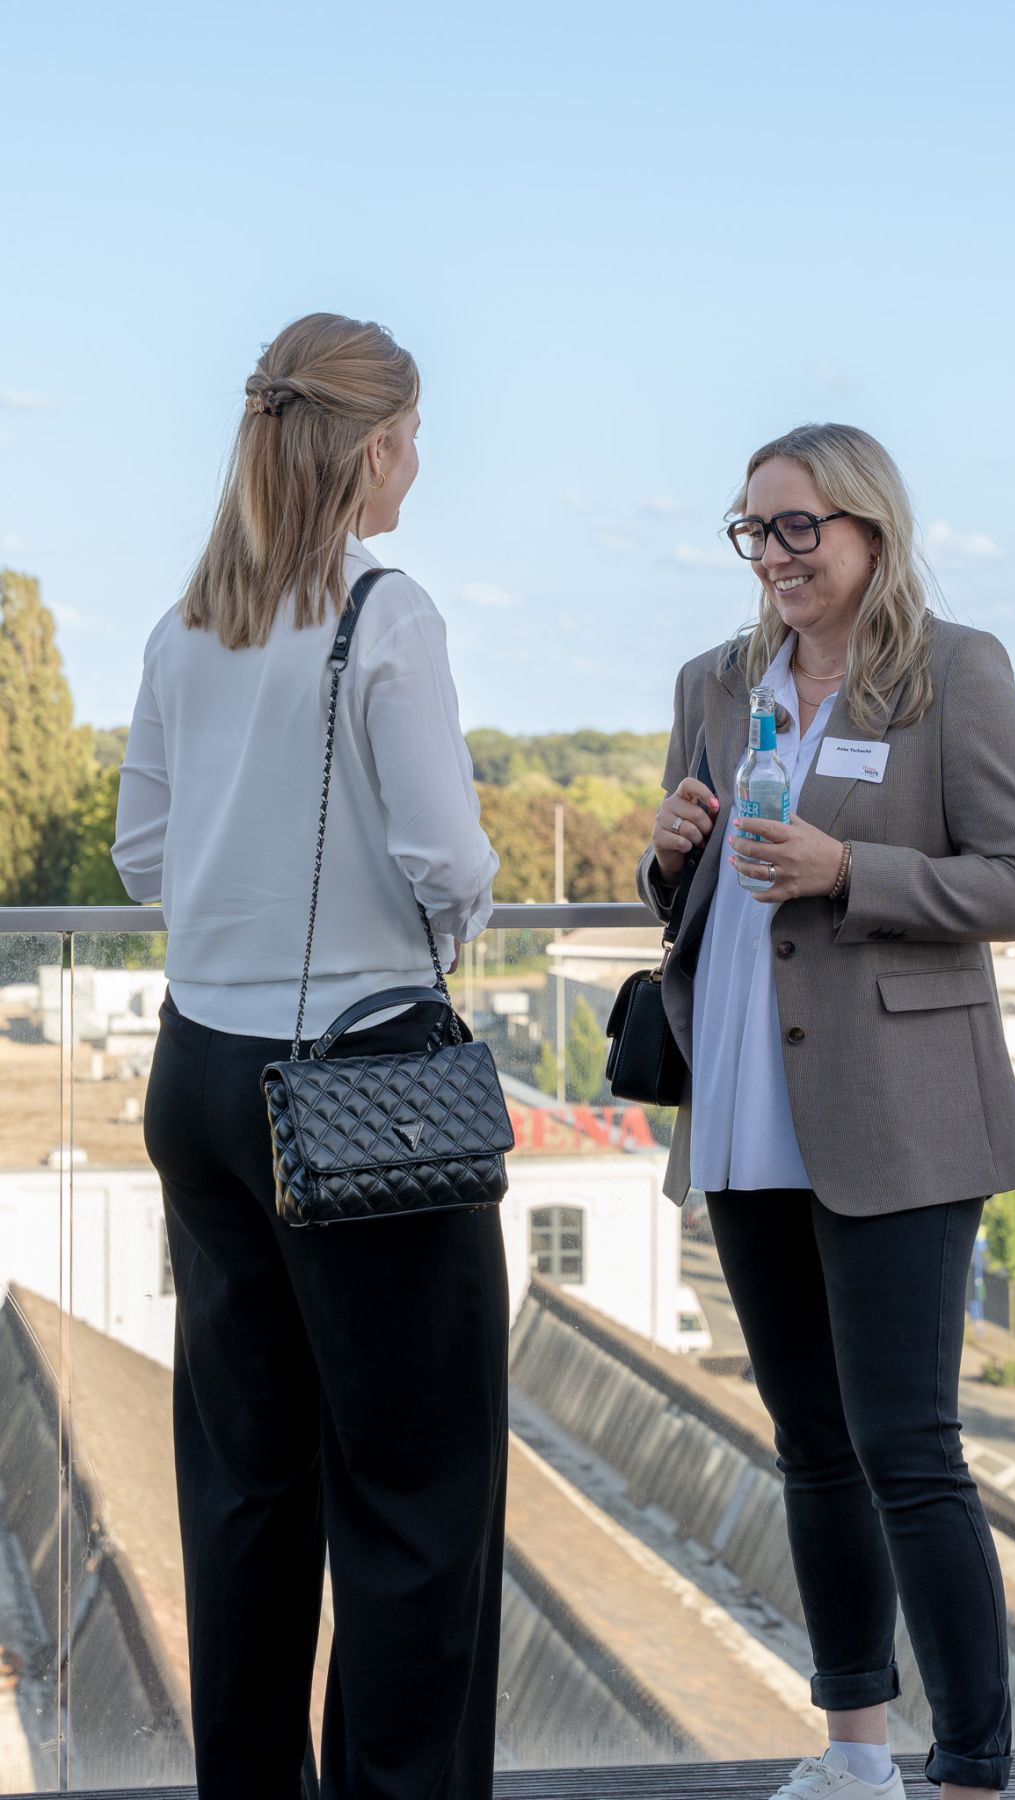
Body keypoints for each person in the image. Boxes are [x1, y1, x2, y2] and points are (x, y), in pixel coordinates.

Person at [637, 423, 1015, 1799]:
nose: (773, 555)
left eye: (798, 526)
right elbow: (695, 903)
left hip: (899, 1114)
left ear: (872, 527)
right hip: (744, 1102)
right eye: (754, 530)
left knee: (907, 1450)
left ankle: (972, 1768)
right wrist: (670, 858)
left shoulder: (953, 673)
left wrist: (850, 869)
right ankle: (855, 1756)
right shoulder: (714, 685)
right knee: (812, 1447)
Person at [113, 312, 506, 1800]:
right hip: (361, 1084)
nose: (418, 462)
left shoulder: (185, 626)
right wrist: (432, 919)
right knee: (415, 1492)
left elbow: (143, 856)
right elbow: (448, 861)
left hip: (200, 1075)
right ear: (374, 445)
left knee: (243, 1482)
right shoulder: (383, 615)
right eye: (413, 436)